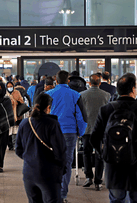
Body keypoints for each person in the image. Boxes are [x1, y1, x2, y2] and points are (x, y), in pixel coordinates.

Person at [90, 73, 137, 203]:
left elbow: (94, 138)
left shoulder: (106, 110)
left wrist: (104, 155)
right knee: (136, 199)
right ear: (134, 89)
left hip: (113, 163)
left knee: (117, 199)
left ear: (117, 89)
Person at [16, 93, 67, 203]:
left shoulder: (24, 123)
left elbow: (18, 149)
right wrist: (61, 168)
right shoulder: (52, 124)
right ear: (48, 107)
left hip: (29, 173)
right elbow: (60, 151)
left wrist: (30, 158)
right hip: (49, 173)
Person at [45, 70, 87, 203]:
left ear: (55, 81)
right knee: (67, 162)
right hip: (69, 132)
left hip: (52, 132)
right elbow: (82, 117)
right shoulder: (76, 95)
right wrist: (80, 132)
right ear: (68, 80)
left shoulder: (48, 94)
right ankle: (62, 194)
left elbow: (42, 115)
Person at [80, 74, 110, 191]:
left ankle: (88, 177)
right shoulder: (106, 95)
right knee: (99, 154)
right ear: (100, 83)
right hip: (101, 130)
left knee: (86, 152)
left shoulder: (82, 95)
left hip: (87, 129)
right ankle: (98, 181)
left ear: (89, 82)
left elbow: (80, 113)